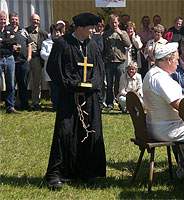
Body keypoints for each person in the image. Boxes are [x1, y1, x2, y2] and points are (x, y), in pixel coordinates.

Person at [45, 13, 106, 190]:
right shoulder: (62, 43)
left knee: (90, 133)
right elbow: (54, 68)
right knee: (64, 132)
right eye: (91, 28)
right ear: (80, 28)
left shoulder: (92, 44)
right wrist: (71, 85)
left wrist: (92, 84)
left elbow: (99, 69)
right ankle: (56, 173)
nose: (94, 31)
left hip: (90, 97)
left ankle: (86, 171)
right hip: (69, 97)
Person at [143, 42, 184, 184]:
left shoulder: (152, 74)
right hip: (166, 129)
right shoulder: (161, 78)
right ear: (169, 60)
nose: (177, 63)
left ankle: (183, 167)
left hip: (156, 125)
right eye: (176, 59)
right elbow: (180, 106)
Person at [102, 14, 131, 111]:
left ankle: (122, 104)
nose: (114, 24)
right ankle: (110, 103)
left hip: (120, 62)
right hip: (109, 62)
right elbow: (103, 48)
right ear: (109, 23)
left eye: (115, 22)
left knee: (121, 84)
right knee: (109, 84)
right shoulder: (105, 34)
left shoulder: (123, 32)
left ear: (118, 23)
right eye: (111, 22)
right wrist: (104, 59)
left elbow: (128, 44)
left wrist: (120, 33)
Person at [9, 12, 33, 111]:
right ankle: (11, 106)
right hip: (11, 62)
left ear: (18, 20)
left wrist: (29, 56)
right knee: (12, 85)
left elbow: (29, 44)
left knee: (23, 84)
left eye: (16, 19)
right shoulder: (6, 31)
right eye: (12, 19)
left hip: (23, 61)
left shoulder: (23, 31)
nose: (14, 21)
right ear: (9, 20)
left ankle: (25, 105)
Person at [26, 14, 48, 109]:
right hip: (26, 59)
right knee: (23, 81)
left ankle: (36, 102)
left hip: (37, 60)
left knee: (37, 82)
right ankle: (21, 101)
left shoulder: (43, 33)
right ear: (30, 20)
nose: (36, 22)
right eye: (34, 20)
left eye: (37, 20)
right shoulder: (25, 32)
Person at [0, 11, 20, 114]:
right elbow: (10, 42)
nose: (3, 21)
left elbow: (14, 41)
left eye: (4, 19)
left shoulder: (10, 29)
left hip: (9, 58)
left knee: (11, 84)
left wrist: (2, 40)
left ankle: (10, 107)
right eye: (1, 19)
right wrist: (8, 40)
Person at [40, 24, 63, 111]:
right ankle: (55, 106)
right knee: (53, 88)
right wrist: (53, 56)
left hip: (61, 69)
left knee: (61, 88)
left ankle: (62, 105)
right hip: (51, 68)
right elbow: (42, 54)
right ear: (51, 33)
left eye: (58, 32)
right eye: (54, 32)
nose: (56, 34)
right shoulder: (46, 42)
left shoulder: (64, 42)